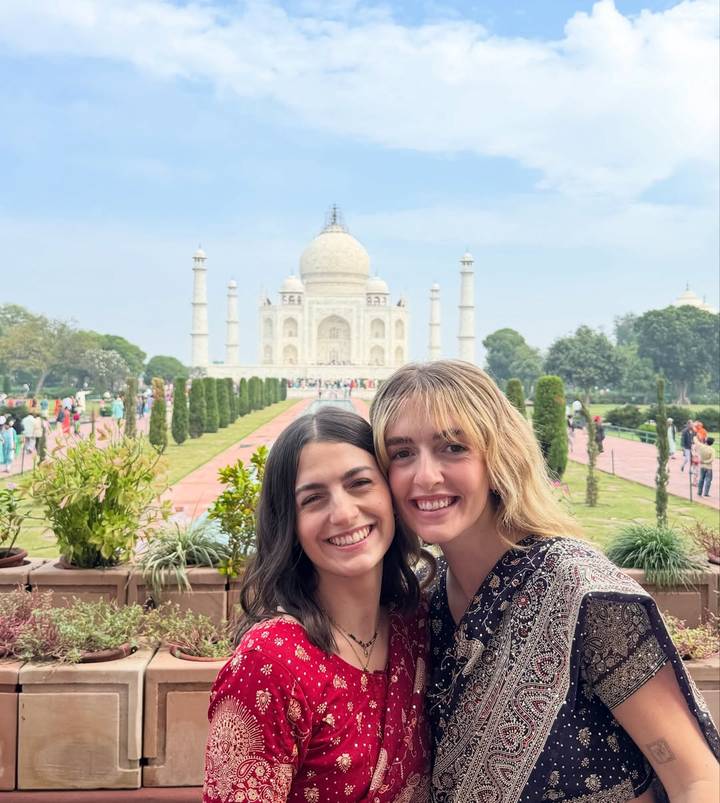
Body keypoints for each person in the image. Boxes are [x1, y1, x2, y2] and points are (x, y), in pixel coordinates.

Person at [370, 360, 719, 802]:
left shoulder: (579, 590)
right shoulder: (427, 599)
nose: (425, 475)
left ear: (497, 456)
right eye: (401, 453)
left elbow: (696, 779)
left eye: (453, 448)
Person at [203, 407, 431, 803]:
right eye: (313, 499)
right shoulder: (271, 665)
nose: (343, 514)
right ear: (289, 524)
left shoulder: (416, 626)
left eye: (359, 483)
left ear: (392, 495)